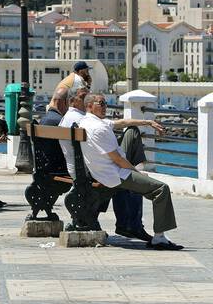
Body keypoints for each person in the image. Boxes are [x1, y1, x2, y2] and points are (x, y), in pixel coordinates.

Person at [78, 92, 182, 250]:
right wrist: (137, 173)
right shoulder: (99, 128)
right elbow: (118, 160)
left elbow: (122, 122)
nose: (105, 106)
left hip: (104, 171)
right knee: (161, 189)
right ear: (89, 106)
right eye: (101, 103)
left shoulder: (87, 122)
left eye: (105, 103)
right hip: (115, 175)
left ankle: (142, 187)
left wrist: (147, 122)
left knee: (132, 130)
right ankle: (159, 238)